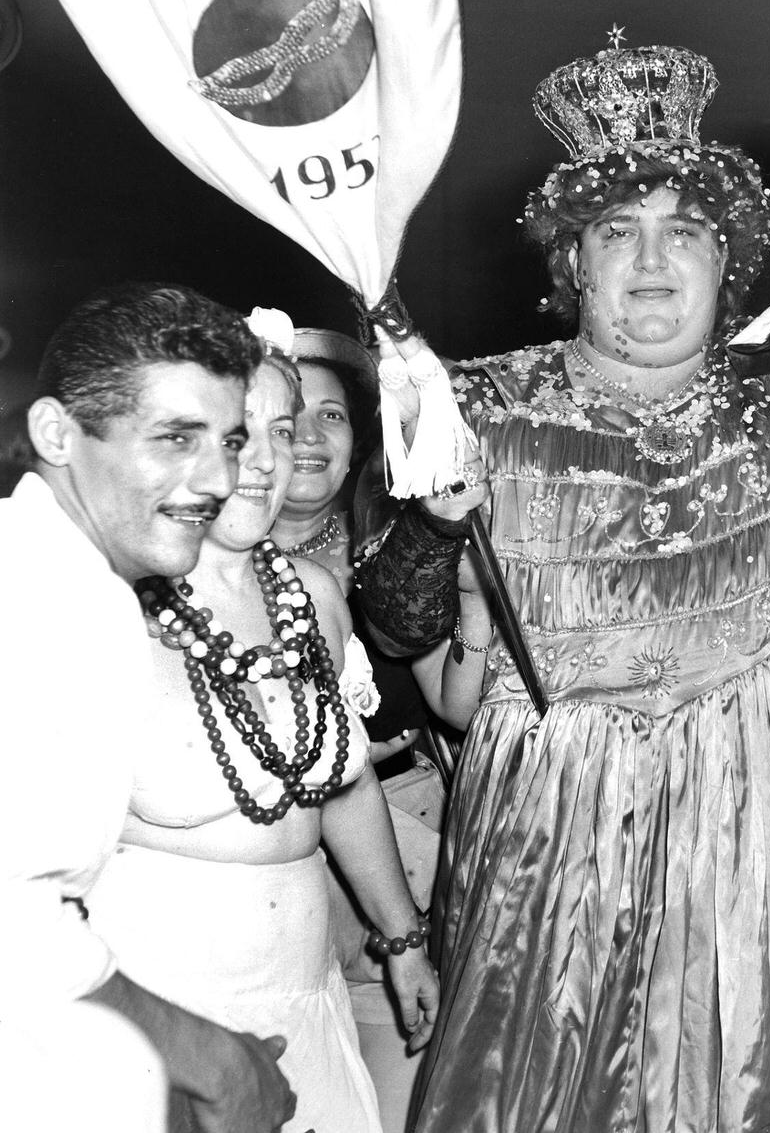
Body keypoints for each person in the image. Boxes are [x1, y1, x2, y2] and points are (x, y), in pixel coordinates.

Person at [354, 31, 770, 1132]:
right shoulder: (474, 400)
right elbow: (395, 626)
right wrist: (432, 524)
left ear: (730, 258)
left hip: (759, 812)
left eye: (686, 232)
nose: (652, 258)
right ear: (573, 264)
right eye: (618, 231)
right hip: (549, 823)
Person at [82, 309, 439, 1133]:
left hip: (309, 999)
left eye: (284, 428)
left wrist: (403, 938)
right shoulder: (104, 606)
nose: (270, 459)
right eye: (241, 431)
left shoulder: (312, 595)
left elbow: (342, 782)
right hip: (163, 1022)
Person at [0, 282, 295, 1132]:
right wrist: (210, 1061)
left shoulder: (77, 581)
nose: (219, 479)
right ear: (57, 433)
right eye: (175, 438)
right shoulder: (40, 599)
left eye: (228, 441)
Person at [271, 325, 447, 1133]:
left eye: (333, 415)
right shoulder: (193, 567)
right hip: (271, 863)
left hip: (400, 843)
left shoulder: (402, 547)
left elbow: (460, 703)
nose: (309, 435)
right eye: (288, 416)